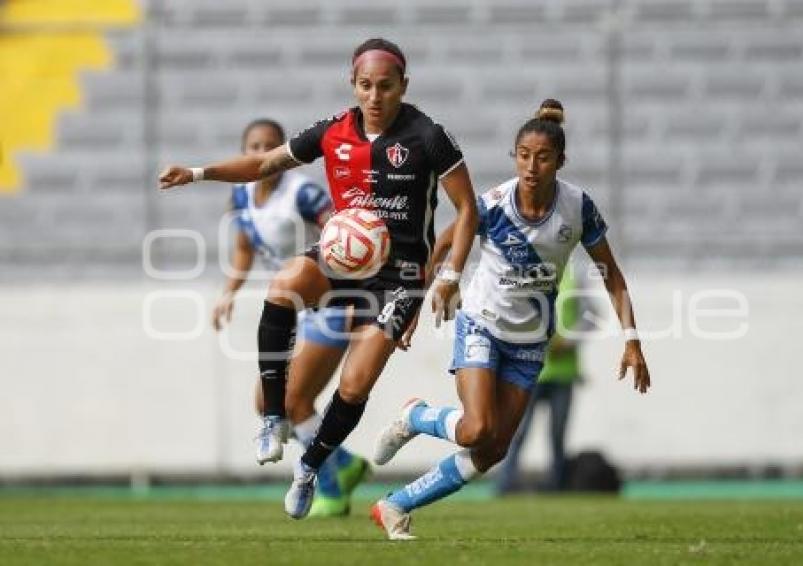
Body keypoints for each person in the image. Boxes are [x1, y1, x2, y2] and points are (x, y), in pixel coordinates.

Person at [158, 37, 478, 519]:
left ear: (403, 86)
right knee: (284, 285)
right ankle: (272, 417)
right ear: (353, 85)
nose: (375, 96)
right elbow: (265, 165)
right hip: (346, 257)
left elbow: (468, 208)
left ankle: (309, 467)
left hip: (400, 275)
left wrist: (449, 275)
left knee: (354, 386)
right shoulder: (332, 132)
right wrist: (198, 172)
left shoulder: (429, 137)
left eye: (385, 87)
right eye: (365, 86)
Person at [370, 99, 651, 540]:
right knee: (477, 428)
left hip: (530, 341)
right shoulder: (495, 204)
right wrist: (430, 292)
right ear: (515, 157)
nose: (532, 166)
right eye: (524, 155)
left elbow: (610, 274)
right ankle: (417, 415)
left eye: (543, 157)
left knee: (492, 450)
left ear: (561, 160)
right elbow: (444, 242)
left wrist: (632, 339)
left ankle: (395, 505)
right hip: (482, 323)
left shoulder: (578, 208)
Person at [213, 118, 368, 517]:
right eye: (253, 145)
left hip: (329, 303)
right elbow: (245, 249)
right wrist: (227, 294)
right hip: (290, 310)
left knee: (292, 399)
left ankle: (331, 485)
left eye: (269, 146)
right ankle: (343, 463)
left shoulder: (303, 194)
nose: (260, 153)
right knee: (268, 399)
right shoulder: (241, 195)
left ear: (283, 154)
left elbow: (340, 234)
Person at [496, 268, 584, 494]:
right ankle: (505, 483)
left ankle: (557, 485)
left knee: (557, 434)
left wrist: (568, 341)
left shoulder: (576, 278)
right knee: (519, 430)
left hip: (563, 373)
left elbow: (589, 317)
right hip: (530, 370)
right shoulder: (527, 273)